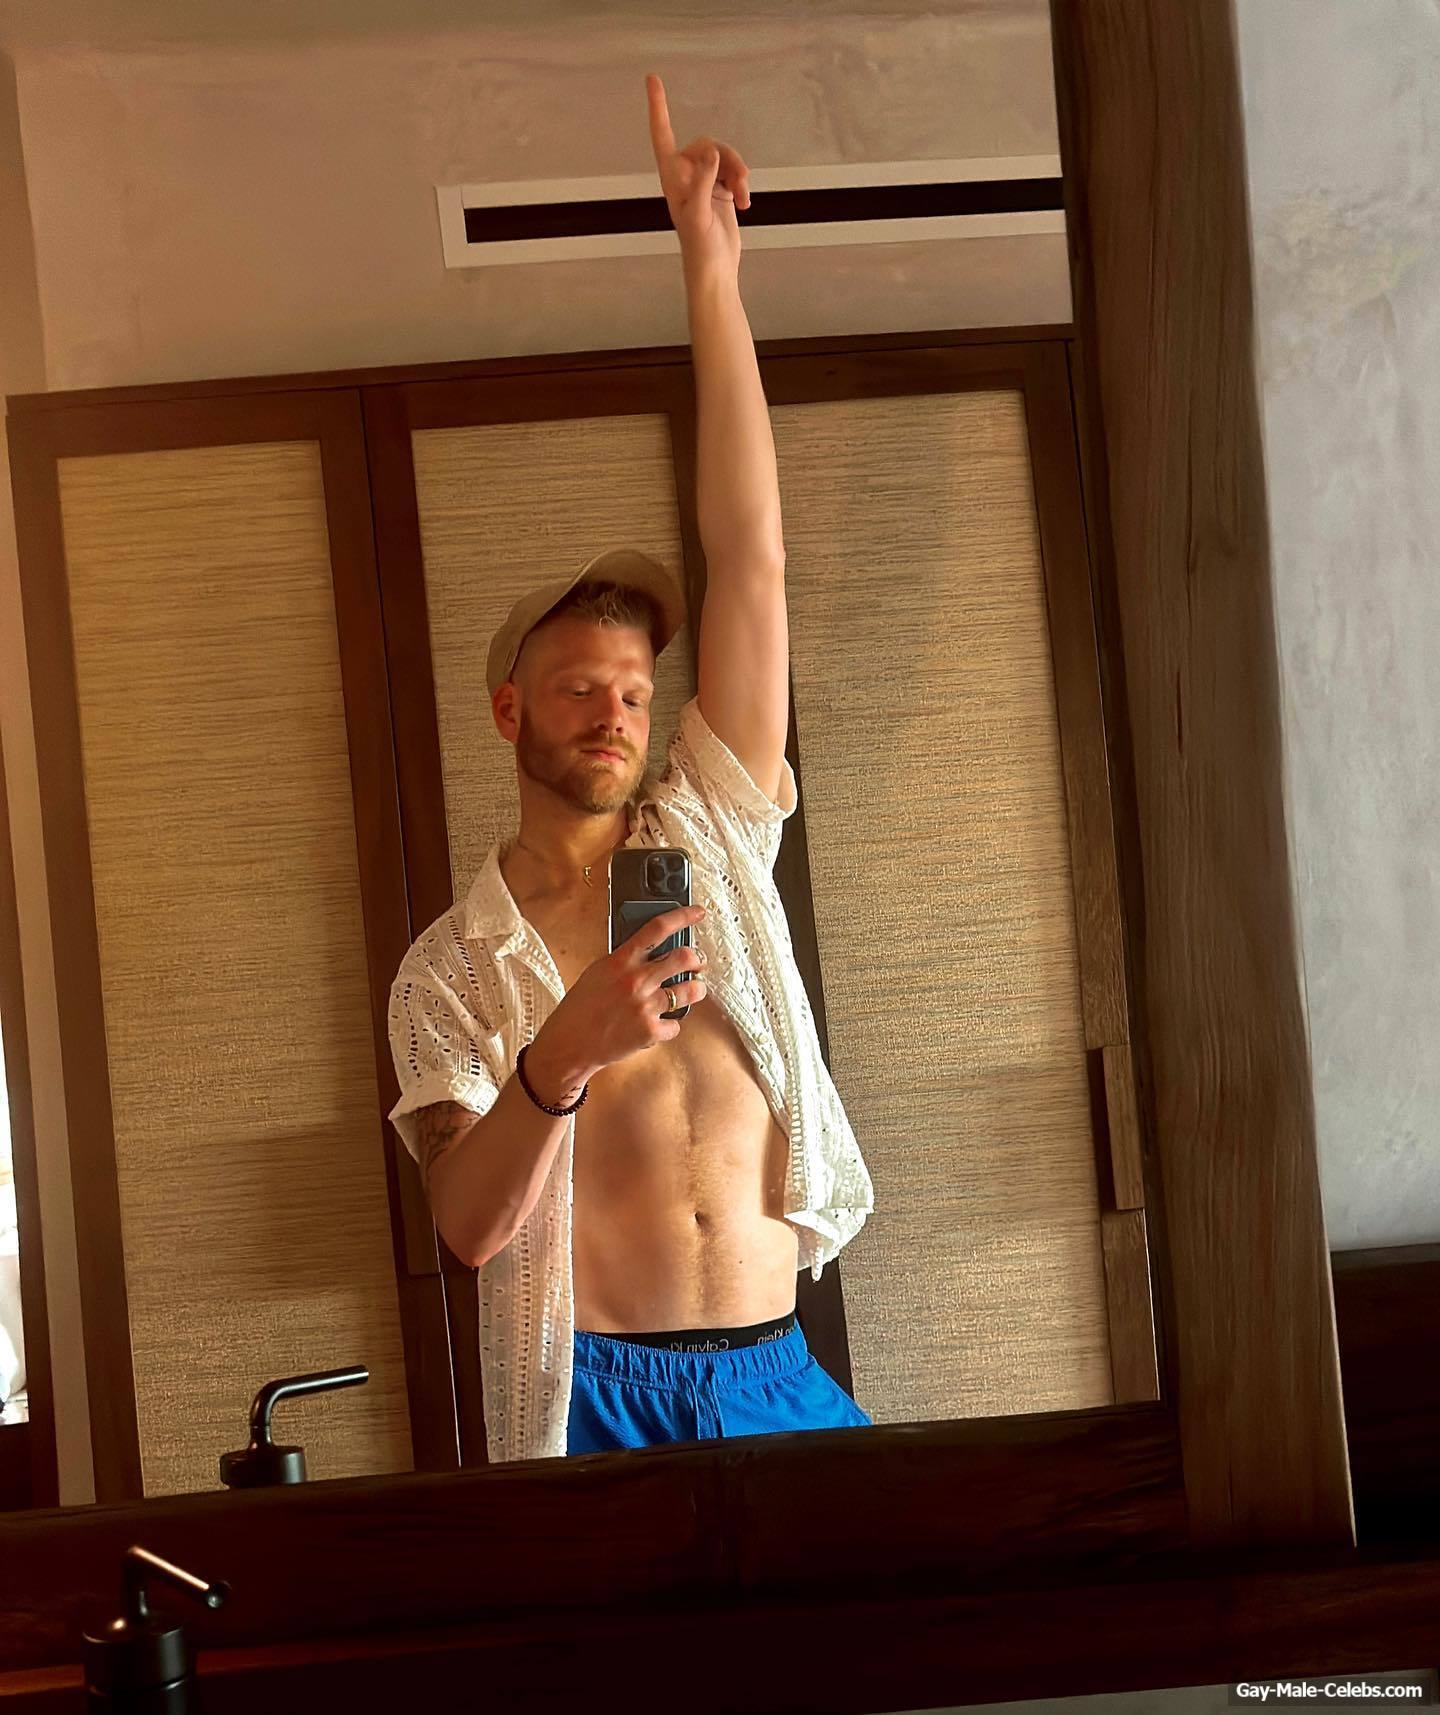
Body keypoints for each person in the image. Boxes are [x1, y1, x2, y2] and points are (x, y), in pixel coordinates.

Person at [386, 74, 874, 1462]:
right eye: (579, 690)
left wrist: (709, 265)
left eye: (636, 692)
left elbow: (752, 559)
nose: (616, 715)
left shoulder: (712, 828)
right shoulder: (449, 971)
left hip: (779, 1371)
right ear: (508, 712)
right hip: (595, 1399)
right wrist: (565, 1053)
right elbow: (467, 1230)